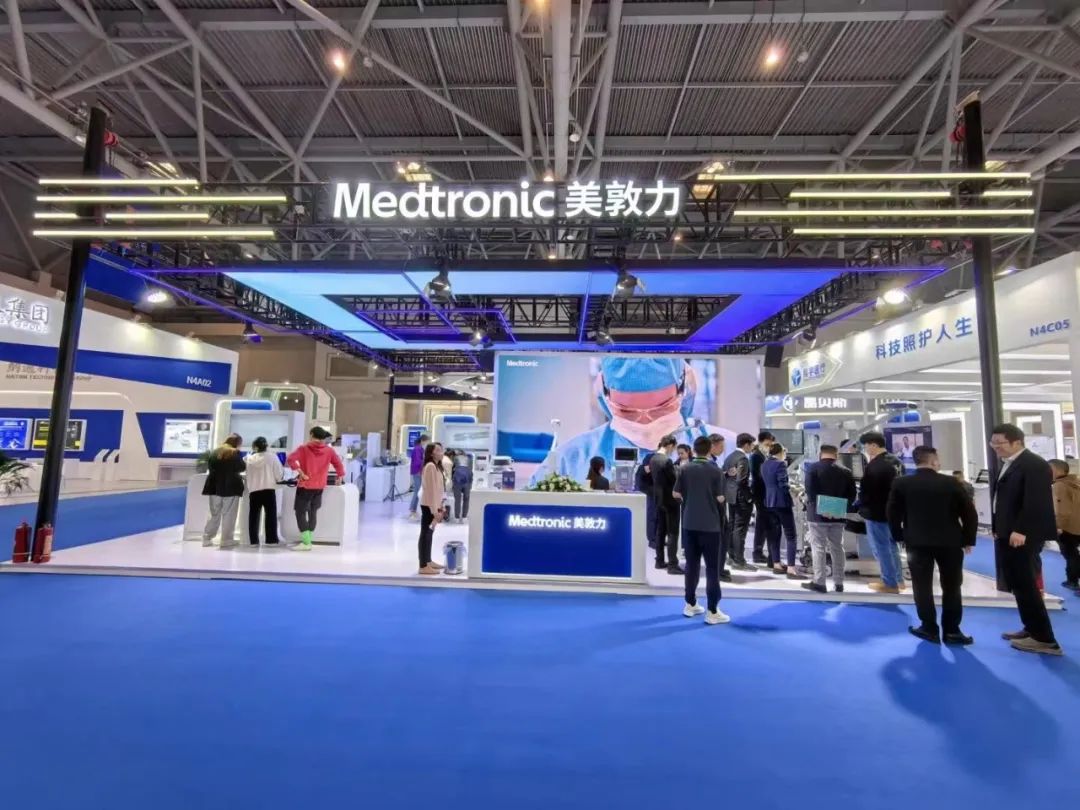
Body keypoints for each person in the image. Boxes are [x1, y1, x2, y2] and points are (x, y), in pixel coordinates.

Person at [529, 357, 737, 485]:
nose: (645, 421)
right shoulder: (569, 459)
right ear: (604, 393)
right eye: (627, 411)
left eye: (661, 407)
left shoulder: (728, 448)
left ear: (685, 387)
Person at [887, 446, 978, 645]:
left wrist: (899, 536)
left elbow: (893, 514)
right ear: (934, 461)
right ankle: (952, 631)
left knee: (921, 586)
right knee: (952, 586)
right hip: (950, 542)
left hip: (916, 542)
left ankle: (928, 628)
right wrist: (968, 539)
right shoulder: (952, 482)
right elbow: (969, 513)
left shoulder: (902, 483)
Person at [991, 424, 1062, 655]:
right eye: (993, 443)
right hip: (1008, 533)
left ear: (1017, 442)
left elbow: (1036, 501)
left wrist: (1021, 530)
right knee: (1018, 584)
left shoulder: (1034, 464)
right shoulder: (1010, 463)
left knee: (1026, 584)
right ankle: (1031, 628)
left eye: (1000, 443)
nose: (996, 447)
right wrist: (999, 528)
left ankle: (1045, 639)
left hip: (1023, 535)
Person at [673, 435, 731, 625]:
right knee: (712, 568)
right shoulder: (715, 470)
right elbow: (721, 498)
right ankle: (712, 611)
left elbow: (676, 493)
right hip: (711, 526)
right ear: (710, 449)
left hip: (689, 523)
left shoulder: (684, 468)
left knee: (691, 565)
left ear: (694, 449)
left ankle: (690, 604)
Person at [802, 444, 857, 595]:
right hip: (838, 516)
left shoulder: (812, 468)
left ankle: (819, 582)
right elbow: (852, 495)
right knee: (837, 547)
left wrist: (824, 509)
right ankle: (839, 583)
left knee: (818, 547)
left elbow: (810, 492)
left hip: (817, 516)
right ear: (836, 455)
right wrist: (835, 510)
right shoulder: (846, 471)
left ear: (820, 454)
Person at [858, 431, 905, 594]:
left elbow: (867, 491)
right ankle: (898, 580)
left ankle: (890, 583)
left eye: (866, 446)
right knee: (892, 546)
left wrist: (860, 504)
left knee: (881, 548)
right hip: (895, 512)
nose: (865, 449)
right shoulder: (897, 462)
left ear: (873, 445)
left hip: (877, 512)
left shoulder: (875, 465)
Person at [286, 426, 345, 551]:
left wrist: (301, 473)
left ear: (312, 434)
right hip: (319, 486)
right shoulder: (329, 451)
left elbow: (290, 459)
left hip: (306, 485)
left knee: (300, 512)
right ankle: (309, 539)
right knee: (313, 512)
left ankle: (306, 542)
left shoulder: (303, 448)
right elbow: (338, 464)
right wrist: (339, 477)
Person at [761, 443, 803, 579]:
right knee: (791, 535)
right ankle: (791, 569)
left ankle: (777, 565)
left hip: (769, 502)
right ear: (780, 452)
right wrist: (795, 490)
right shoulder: (780, 464)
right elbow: (783, 484)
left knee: (775, 534)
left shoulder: (764, 464)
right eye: (785, 452)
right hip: (782, 502)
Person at [202, 433, 245, 549]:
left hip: (214, 486)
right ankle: (226, 539)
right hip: (231, 487)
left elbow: (210, 467)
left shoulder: (215, 452)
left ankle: (206, 538)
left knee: (214, 513)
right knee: (229, 514)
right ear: (237, 443)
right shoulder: (234, 452)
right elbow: (242, 467)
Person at [721, 433, 756, 573]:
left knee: (732, 526)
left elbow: (724, 474)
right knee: (740, 529)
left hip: (731, 496)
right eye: (751, 445)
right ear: (746, 444)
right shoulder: (743, 458)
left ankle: (731, 556)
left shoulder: (730, 457)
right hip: (741, 497)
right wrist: (749, 497)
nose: (752, 448)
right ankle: (739, 560)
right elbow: (741, 481)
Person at [649, 435, 684, 575]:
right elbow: (674, 479)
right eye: (673, 448)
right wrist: (679, 471)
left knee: (660, 531)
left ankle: (659, 560)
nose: (673, 451)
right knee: (672, 532)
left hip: (658, 499)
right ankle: (672, 564)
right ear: (670, 445)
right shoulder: (666, 461)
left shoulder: (653, 458)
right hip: (670, 500)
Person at [245, 436, 284, 546]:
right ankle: (271, 540)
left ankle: (253, 541)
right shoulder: (272, 457)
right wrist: (279, 479)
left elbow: (248, 474)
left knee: (253, 516)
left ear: (255, 447)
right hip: (268, 489)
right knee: (270, 515)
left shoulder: (250, 459)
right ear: (266, 446)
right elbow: (278, 474)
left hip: (254, 490)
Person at [1050, 459, 1080, 593]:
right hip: (1077, 524)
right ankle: (1072, 580)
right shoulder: (1076, 482)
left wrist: (1058, 526)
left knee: (1070, 554)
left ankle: (1072, 581)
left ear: (1056, 470)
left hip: (1068, 527)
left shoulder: (1059, 486)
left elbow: (1062, 510)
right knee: (1073, 554)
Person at [418, 441, 447, 575]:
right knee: (425, 534)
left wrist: (441, 506)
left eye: (441, 450)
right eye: (438, 450)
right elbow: (431, 490)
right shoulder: (430, 466)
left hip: (435, 504)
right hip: (429, 505)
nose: (441, 452)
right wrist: (435, 510)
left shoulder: (437, 466)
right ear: (431, 453)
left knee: (429, 534)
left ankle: (428, 561)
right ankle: (423, 565)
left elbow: (439, 489)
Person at [749, 431, 774, 564]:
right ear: (761, 442)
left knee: (763, 523)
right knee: (761, 523)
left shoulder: (763, 455)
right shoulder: (756, 456)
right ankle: (757, 552)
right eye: (767, 444)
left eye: (770, 445)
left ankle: (759, 552)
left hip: (764, 493)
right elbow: (758, 476)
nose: (769, 447)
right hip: (760, 493)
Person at [407, 434, 430, 520]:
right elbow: (418, 461)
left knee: (418, 490)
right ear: (422, 441)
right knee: (417, 491)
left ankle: (413, 509)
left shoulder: (420, 449)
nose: (427, 443)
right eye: (426, 441)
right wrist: (425, 463)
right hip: (417, 471)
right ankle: (412, 509)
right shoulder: (417, 449)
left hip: (419, 471)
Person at [451, 453, 474, 522]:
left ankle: (457, 517)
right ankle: (464, 517)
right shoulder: (470, 459)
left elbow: (452, 470)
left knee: (457, 499)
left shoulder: (455, 458)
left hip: (457, 481)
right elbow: (471, 471)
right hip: (467, 481)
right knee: (466, 499)